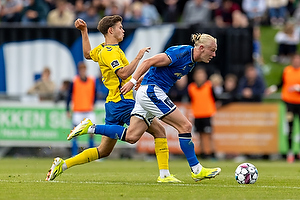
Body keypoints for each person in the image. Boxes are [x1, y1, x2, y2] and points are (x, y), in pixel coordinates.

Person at [68, 33, 221, 182]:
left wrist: (142, 79)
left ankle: (91, 127)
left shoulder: (191, 61)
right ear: (201, 47)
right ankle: (196, 170)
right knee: (185, 126)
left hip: (147, 91)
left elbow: (158, 70)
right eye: (212, 50)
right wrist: (133, 82)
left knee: (132, 136)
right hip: (151, 91)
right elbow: (149, 62)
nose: (214, 54)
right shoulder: (181, 53)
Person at [46, 15, 181, 183]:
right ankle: (164, 175)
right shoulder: (110, 52)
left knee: (103, 151)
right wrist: (139, 57)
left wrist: (84, 32)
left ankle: (63, 164)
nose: (123, 30)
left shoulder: (103, 49)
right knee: (158, 131)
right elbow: (123, 73)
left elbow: (88, 54)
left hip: (113, 103)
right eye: (120, 27)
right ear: (111, 30)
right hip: (124, 102)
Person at [265, 53, 300, 163]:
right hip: (289, 103)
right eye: (295, 60)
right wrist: (273, 88)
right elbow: (281, 83)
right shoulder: (287, 71)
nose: (296, 62)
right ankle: (290, 152)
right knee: (290, 127)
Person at [66, 62, 97, 157]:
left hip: (88, 110)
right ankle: (74, 154)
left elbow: (95, 94)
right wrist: (67, 109)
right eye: (81, 69)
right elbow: (69, 95)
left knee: (92, 132)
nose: (82, 71)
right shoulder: (75, 81)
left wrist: (93, 104)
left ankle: (92, 154)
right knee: (75, 132)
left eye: (84, 69)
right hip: (78, 111)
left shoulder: (91, 80)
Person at [188, 66, 217, 159]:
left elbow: (216, 98)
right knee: (199, 134)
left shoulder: (209, 86)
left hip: (207, 114)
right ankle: (202, 152)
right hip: (197, 114)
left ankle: (211, 152)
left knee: (208, 135)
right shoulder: (191, 87)